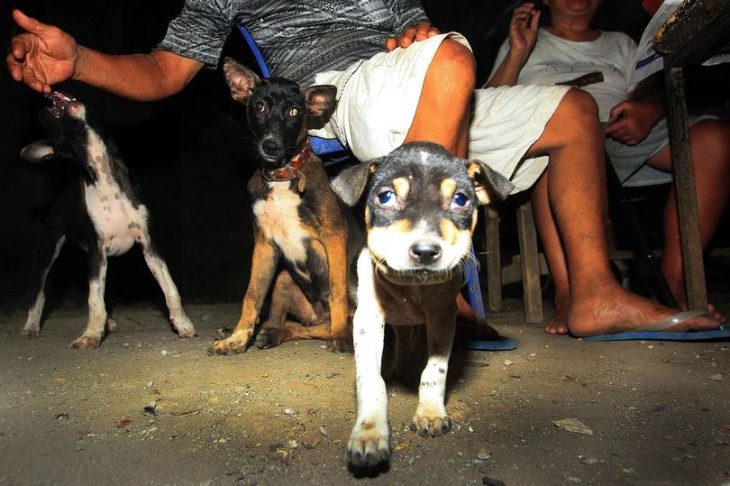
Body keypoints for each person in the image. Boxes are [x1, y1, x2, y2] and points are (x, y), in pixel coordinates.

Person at [7, 1, 723, 337]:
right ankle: (421, 287)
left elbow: (409, 30)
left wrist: (411, 34)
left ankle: (593, 295)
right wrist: (82, 63)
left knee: (570, 112)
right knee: (449, 58)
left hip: (401, 78)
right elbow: (164, 71)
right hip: (331, 92)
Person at [487, 1, 730, 334]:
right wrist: (517, 52)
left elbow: (650, 89)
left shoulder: (622, 43)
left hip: (618, 132)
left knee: (715, 138)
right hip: (561, 134)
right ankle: (569, 293)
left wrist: (648, 111)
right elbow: (487, 112)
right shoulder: (528, 41)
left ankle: (674, 286)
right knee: (551, 148)